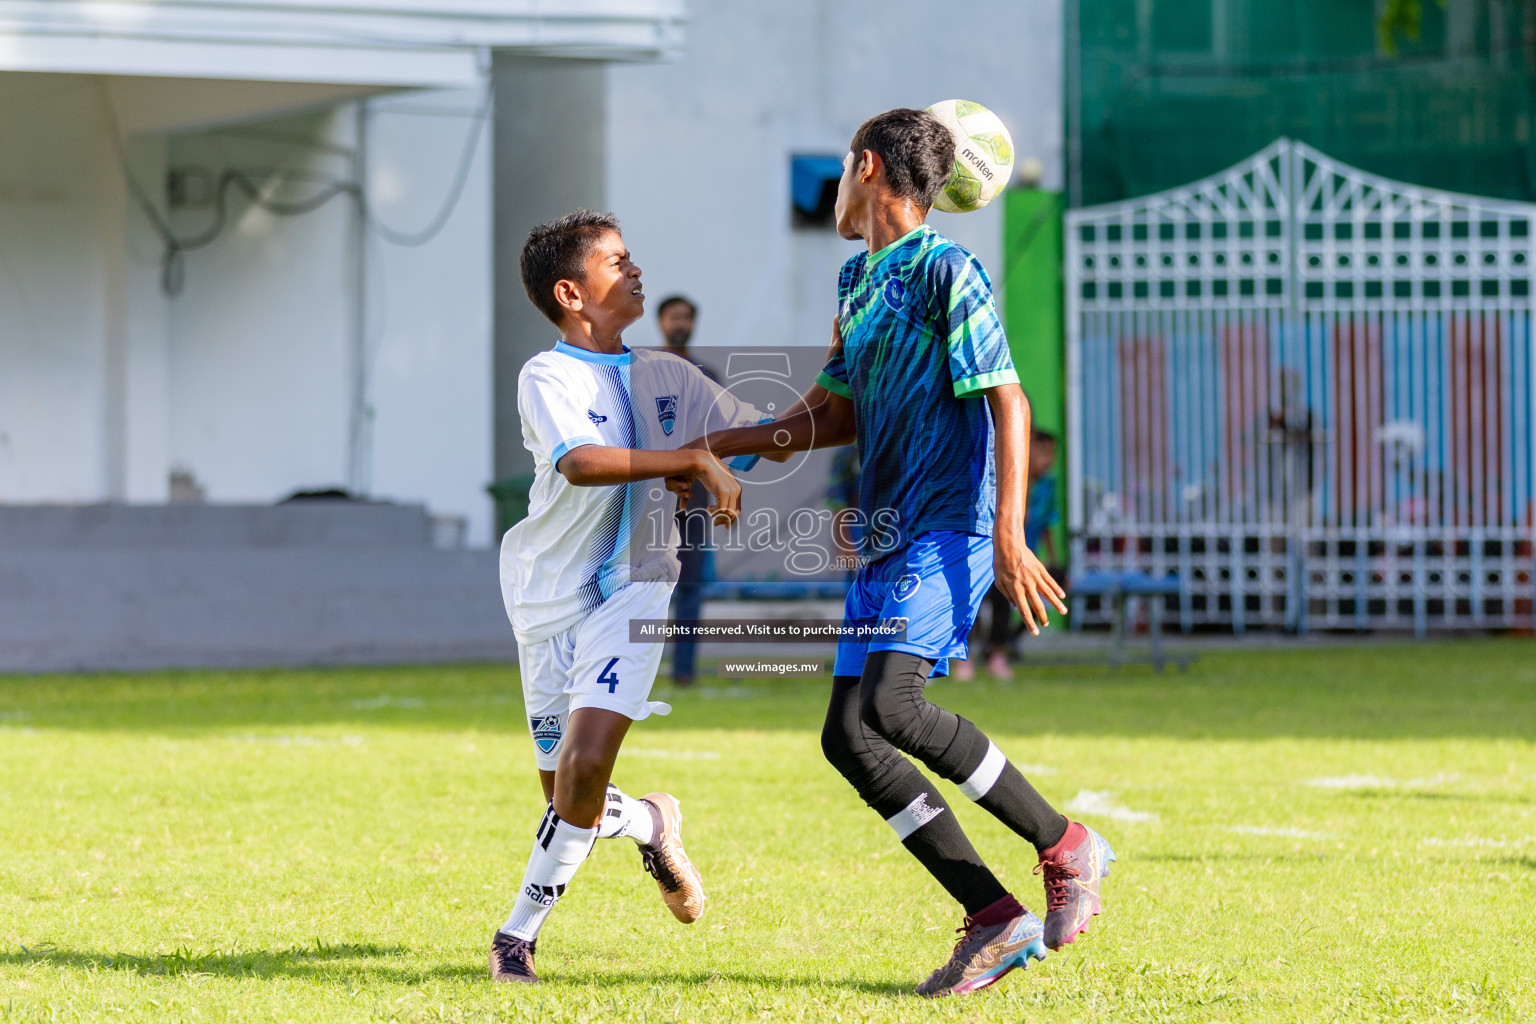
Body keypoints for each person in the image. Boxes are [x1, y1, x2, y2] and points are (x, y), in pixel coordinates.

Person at [686, 109, 1115, 998]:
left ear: (868, 167)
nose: (835, 190)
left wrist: (1008, 532)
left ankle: (1066, 843)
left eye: (842, 170)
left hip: (944, 523)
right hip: (885, 536)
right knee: (849, 736)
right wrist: (723, 443)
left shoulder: (945, 268)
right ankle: (995, 920)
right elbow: (832, 413)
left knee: (894, 704)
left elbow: (1008, 398)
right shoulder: (856, 279)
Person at [491, 210, 770, 983]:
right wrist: (686, 458)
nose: (636, 270)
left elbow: (761, 429)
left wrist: (854, 391)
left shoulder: (669, 374)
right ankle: (650, 820)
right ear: (571, 293)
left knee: (580, 773)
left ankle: (516, 937)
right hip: (546, 598)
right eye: (617, 262)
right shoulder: (547, 375)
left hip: (638, 588)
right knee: (564, 793)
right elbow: (580, 463)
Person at [958, 427, 1061, 680]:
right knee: (978, 603)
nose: (1048, 459)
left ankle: (998, 652)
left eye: (1052, 453)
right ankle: (966, 657)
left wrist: (1051, 558)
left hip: (1021, 557)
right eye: (1042, 452)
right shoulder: (1002, 474)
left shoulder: (1047, 485)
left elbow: (1046, 524)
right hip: (988, 552)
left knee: (1010, 603)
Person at [655, 294, 712, 686]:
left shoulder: (708, 374)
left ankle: (684, 673)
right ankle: (627, 668)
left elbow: (721, 439)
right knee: (642, 587)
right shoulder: (643, 370)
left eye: (687, 317)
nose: (681, 322)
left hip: (695, 503)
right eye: (675, 316)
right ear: (661, 322)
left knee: (690, 588)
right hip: (651, 499)